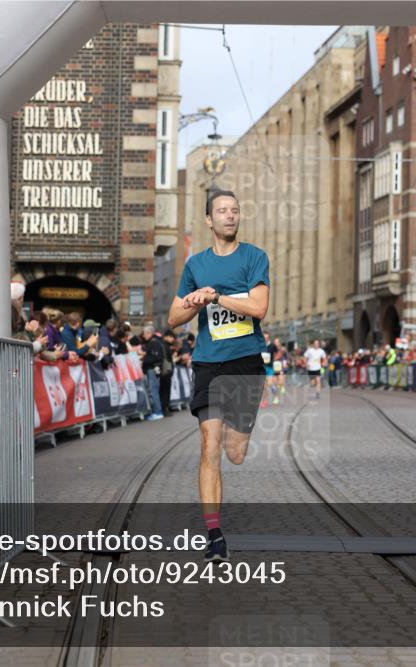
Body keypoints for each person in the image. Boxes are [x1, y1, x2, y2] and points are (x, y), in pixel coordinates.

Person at [167, 189, 269, 563]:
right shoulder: (196, 265)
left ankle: (234, 429)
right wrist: (193, 303)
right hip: (209, 363)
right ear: (209, 220)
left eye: (235, 210)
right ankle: (214, 535)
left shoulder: (254, 257)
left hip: (245, 363)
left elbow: (259, 308)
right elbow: (173, 318)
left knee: (235, 453)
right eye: (222, 211)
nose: (230, 216)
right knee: (209, 446)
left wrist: (217, 298)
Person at [139, 324, 166, 421]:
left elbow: (156, 357)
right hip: (153, 369)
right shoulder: (155, 342)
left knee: (153, 391)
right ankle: (156, 411)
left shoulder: (154, 343)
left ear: (149, 333)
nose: (143, 335)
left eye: (145, 333)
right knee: (153, 391)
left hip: (153, 369)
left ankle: (157, 412)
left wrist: (144, 359)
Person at [159, 330, 177, 415]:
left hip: (164, 371)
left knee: (163, 390)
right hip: (166, 371)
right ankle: (165, 409)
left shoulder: (162, 345)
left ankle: (165, 408)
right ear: (167, 336)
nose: (172, 339)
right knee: (165, 391)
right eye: (172, 337)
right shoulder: (165, 346)